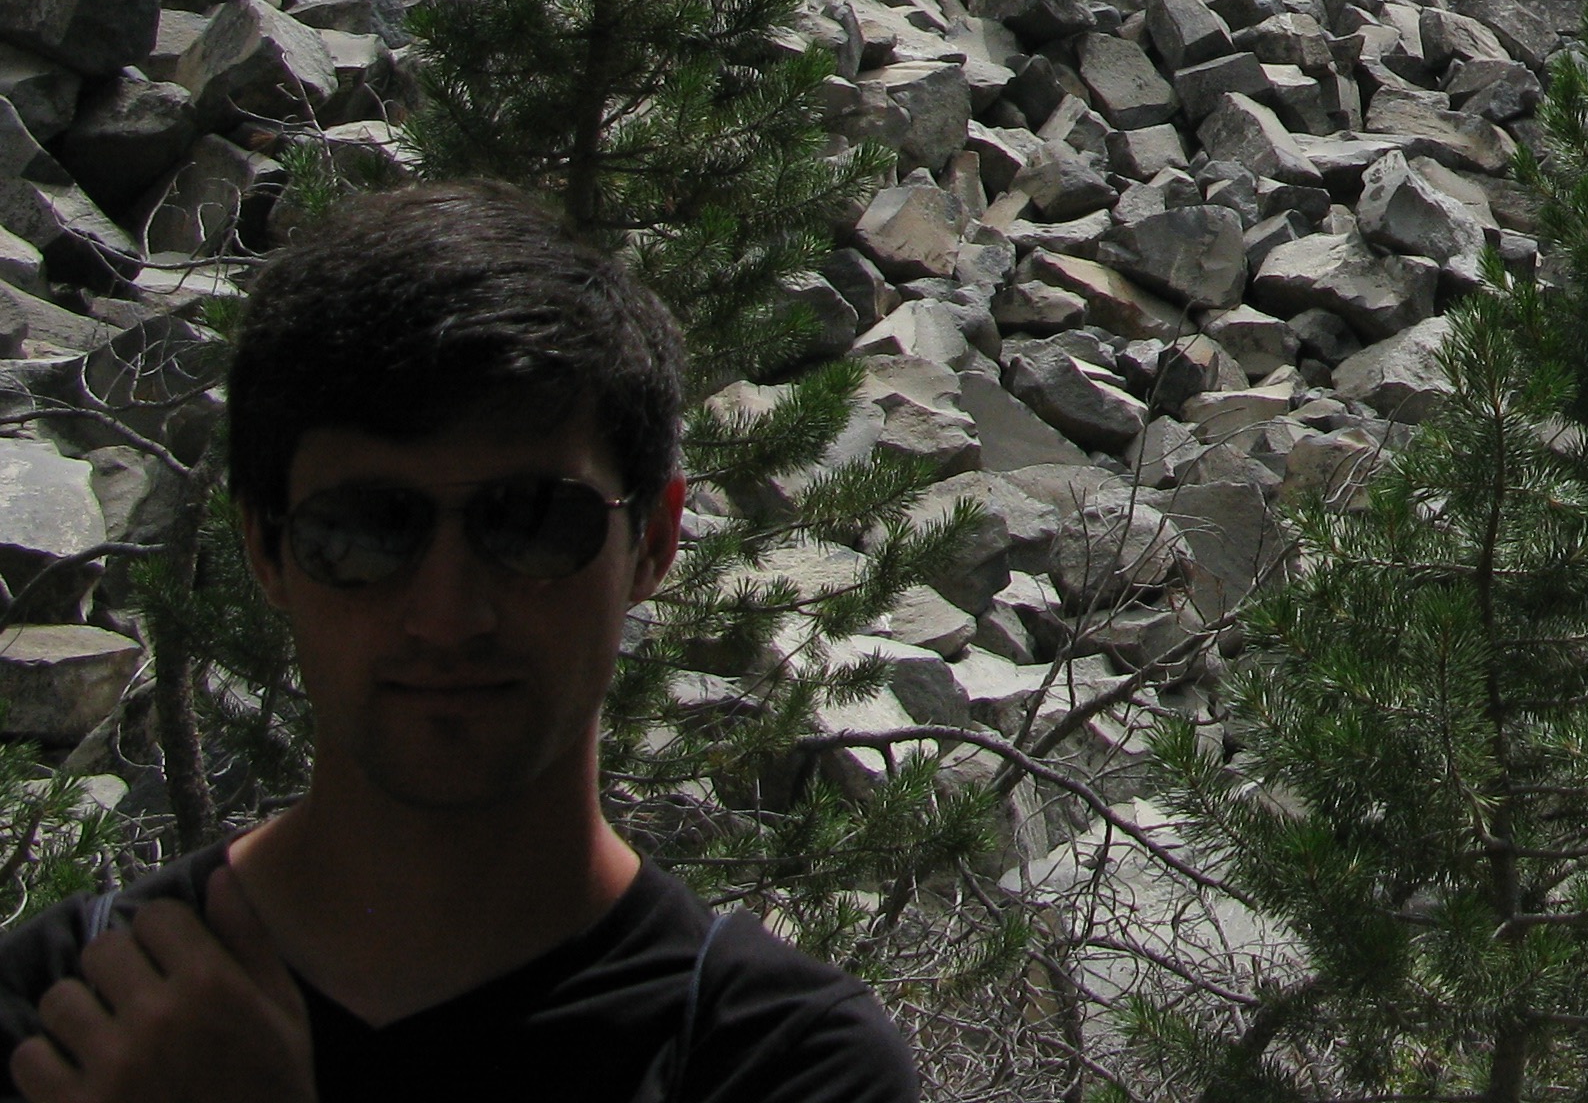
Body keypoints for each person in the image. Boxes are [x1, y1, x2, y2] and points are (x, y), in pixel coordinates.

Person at [0, 181, 917, 1100]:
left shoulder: (779, 1064)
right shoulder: (61, 1012)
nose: (447, 613)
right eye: (363, 531)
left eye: (529, 524)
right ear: (266, 549)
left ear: (654, 542)